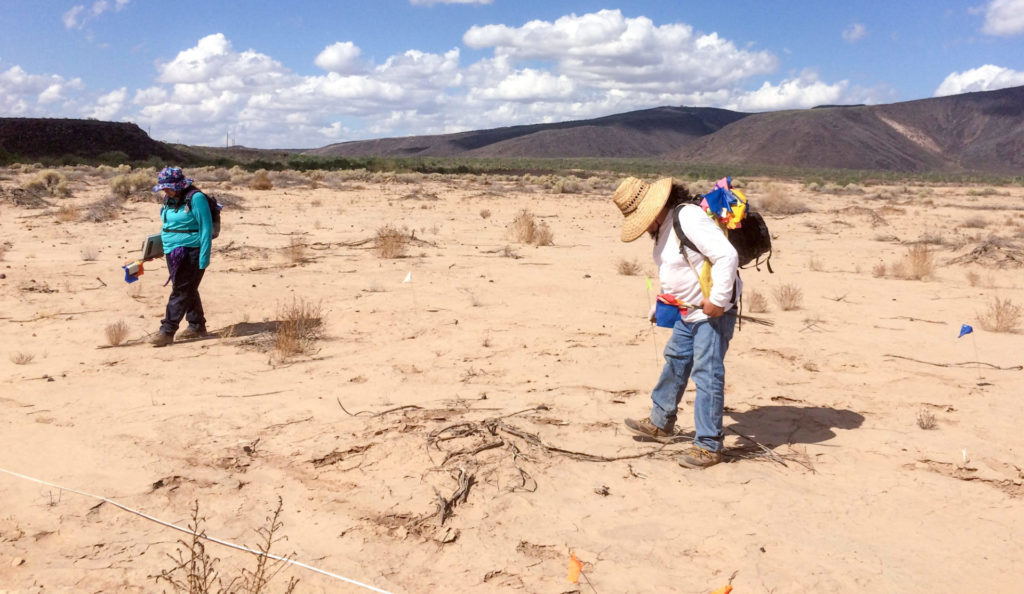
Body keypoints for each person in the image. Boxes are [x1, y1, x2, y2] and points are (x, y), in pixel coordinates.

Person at [612, 176, 742, 468]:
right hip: (686, 310)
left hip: (711, 312)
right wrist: (663, 303)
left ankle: (709, 445)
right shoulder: (662, 229)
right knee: (676, 359)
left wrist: (718, 301)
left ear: (654, 209)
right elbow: (675, 269)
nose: (642, 225)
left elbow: (727, 256)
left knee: (707, 373)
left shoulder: (688, 218)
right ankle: (660, 421)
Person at [150, 166, 213, 347]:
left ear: (179, 185)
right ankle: (197, 326)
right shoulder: (169, 199)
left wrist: (204, 256)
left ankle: (167, 330)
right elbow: (167, 225)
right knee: (186, 288)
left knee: (181, 290)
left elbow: (206, 228)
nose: (165, 190)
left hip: (191, 251)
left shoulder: (197, 198)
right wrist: (157, 248)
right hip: (172, 251)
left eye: (168, 187)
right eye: (163, 187)